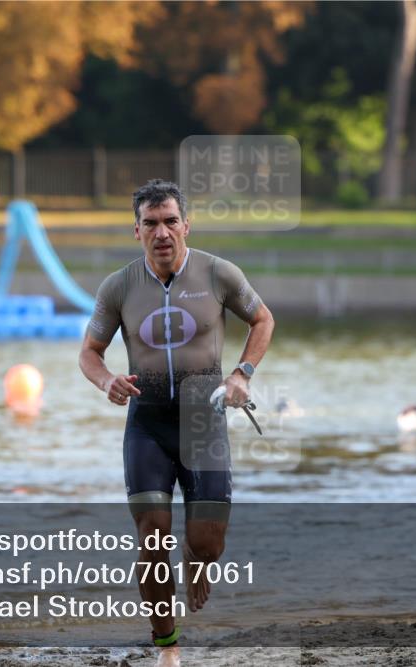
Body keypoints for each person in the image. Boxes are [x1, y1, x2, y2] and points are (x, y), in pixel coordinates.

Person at [79, 179, 275, 666]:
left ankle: (196, 558)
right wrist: (106, 382)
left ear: (186, 225)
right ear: (137, 230)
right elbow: (89, 353)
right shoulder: (119, 287)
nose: (161, 233)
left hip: (202, 421)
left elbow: (263, 320)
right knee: (152, 536)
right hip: (147, 424)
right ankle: (167, 647)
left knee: (207, 543)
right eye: (150, 223)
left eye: (170, 221)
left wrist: (242, 374)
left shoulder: (218, 273)